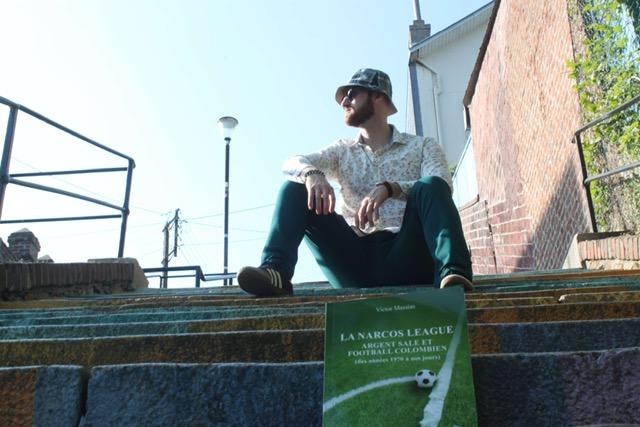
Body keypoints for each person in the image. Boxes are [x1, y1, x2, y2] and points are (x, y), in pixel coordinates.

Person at [237, 68, 472, 297]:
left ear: (379, 96)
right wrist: (312, 173)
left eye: (352, 94)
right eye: (343, 97)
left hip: (409, 253)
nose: (344, 101)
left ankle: (452, 273)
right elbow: (290, 164)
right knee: (294, 187)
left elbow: (442, 185)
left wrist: (392, 188)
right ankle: (275, 270)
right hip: (355, 261)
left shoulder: (422, 146)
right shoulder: (342, 151)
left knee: (430, 185)